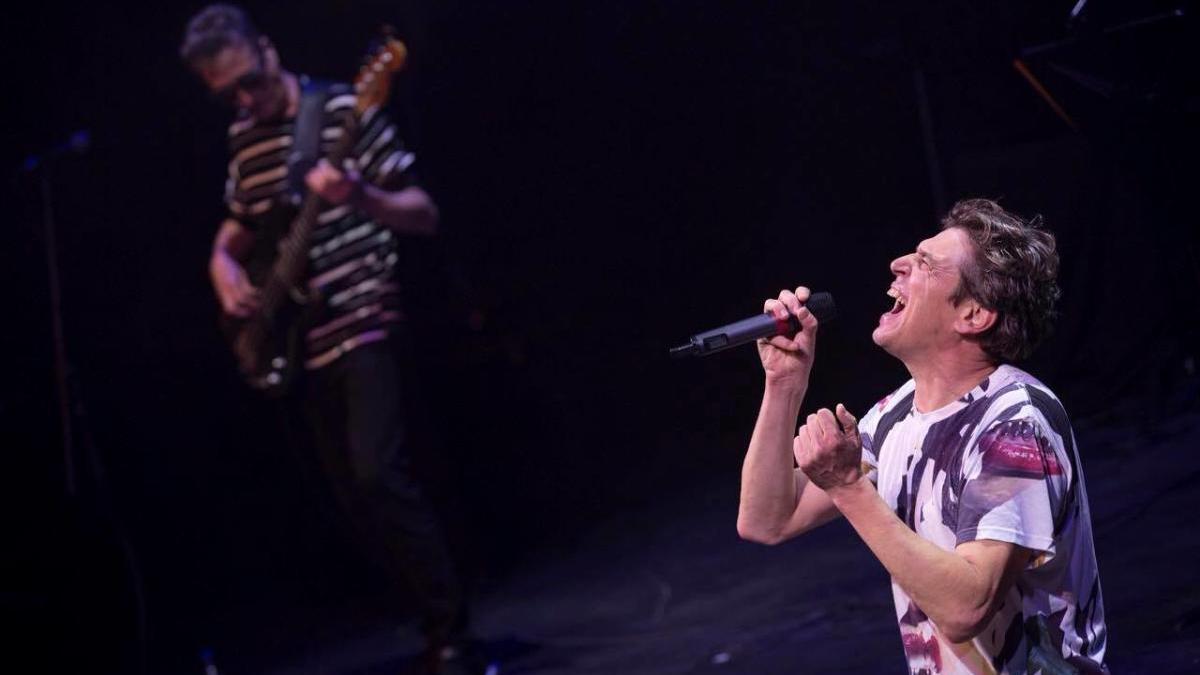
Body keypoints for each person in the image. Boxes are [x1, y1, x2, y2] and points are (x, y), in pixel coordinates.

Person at [180, 5, 481, 673]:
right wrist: (220, 266)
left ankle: (452, 630)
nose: (245, 98)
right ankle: (427, 625)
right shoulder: (244, 140)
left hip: (365, 315)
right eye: (227, 94)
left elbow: (422, 213)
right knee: (351, 495)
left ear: (266, 49)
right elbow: (238, 226)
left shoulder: (343, 107)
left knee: (378, 473)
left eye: (249, 81)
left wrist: (359, 194)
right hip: (302, 338)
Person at [737, 199, 1107, 673]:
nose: (898, 264)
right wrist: (784, 385)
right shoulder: (897, 415)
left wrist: (850, 489)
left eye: (926, 264)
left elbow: (964, 609)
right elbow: (766, 519)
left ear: (973, 314)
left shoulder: (1015, 425)